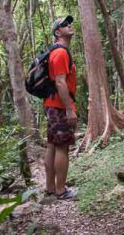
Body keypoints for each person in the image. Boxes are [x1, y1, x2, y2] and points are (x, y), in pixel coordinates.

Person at [43, 15, 77, 200]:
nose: (69, 25)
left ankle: (50, 188)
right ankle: (61, 190)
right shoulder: (61, 52)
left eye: (69, 23)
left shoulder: (55, 51)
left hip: (51, 105)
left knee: (52, 146)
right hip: (59, 106)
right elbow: (61, 83)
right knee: (62, 146)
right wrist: (69, 109)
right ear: (57, 32)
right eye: (64, 24)